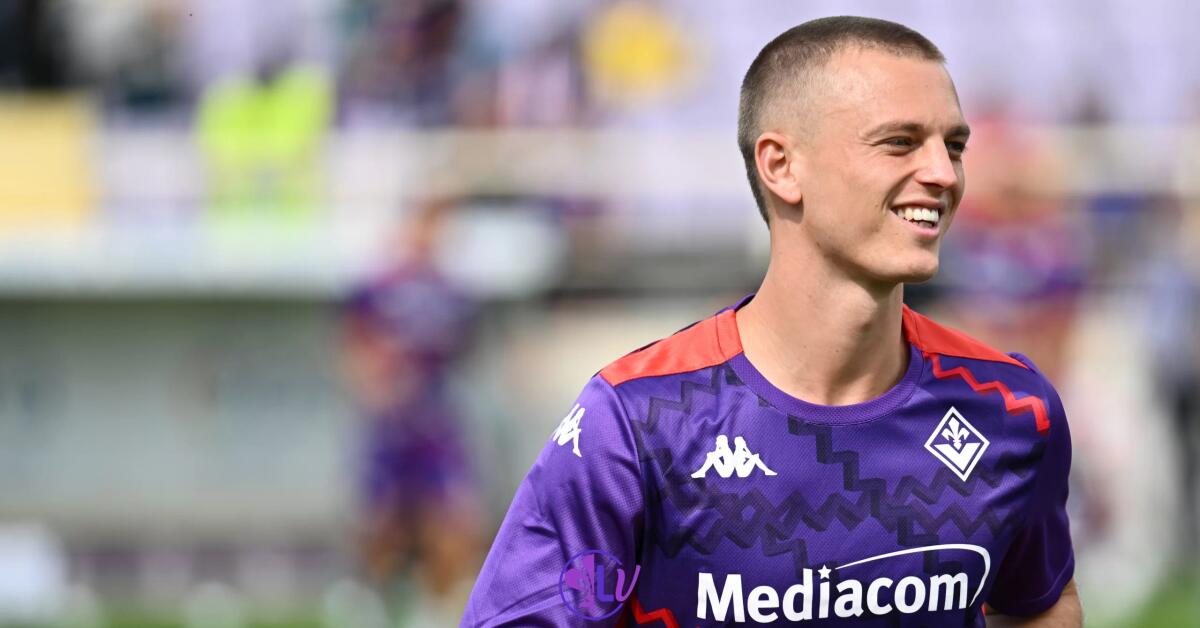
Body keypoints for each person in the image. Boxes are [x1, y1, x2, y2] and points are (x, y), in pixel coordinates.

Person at [463, 16, 1080, 627]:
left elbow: (1040, 605)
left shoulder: (1009, 410)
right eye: (900, 142)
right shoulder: (639, 418)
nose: (943, 173)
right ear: (781, 166)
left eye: (953, 146)